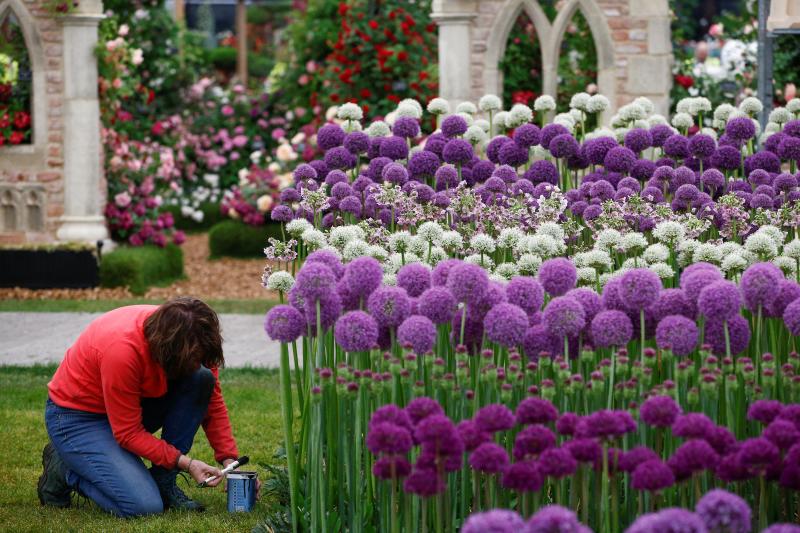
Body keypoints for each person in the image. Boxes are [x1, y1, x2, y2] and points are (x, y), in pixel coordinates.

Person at [37, 297, 257, 517]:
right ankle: (65, 470)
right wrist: (187, 464)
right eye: (193, 360)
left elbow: (212, 401)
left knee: (201, 379)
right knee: (143, 507)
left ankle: (163, 481)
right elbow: (127, 433)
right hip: (78, 418)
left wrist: (231, 463)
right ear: (169, 351)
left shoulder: (195, 337)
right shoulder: (122, 351)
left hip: (132, 405)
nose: (197, 364)